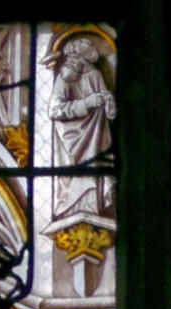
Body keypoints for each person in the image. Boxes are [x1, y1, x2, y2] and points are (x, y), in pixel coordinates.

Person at [48, 35, 115, 224]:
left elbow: (108, 106)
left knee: (92, 173)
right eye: (72, 58)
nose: (74, 62)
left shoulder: (95, 75)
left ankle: (92, 207)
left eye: (80, 60)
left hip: (94, 137)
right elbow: (54, 110)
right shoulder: (64, 78)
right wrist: (86, 103)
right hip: (70, 141)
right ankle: (71, 209)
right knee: (74, 178)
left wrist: (107, 102)